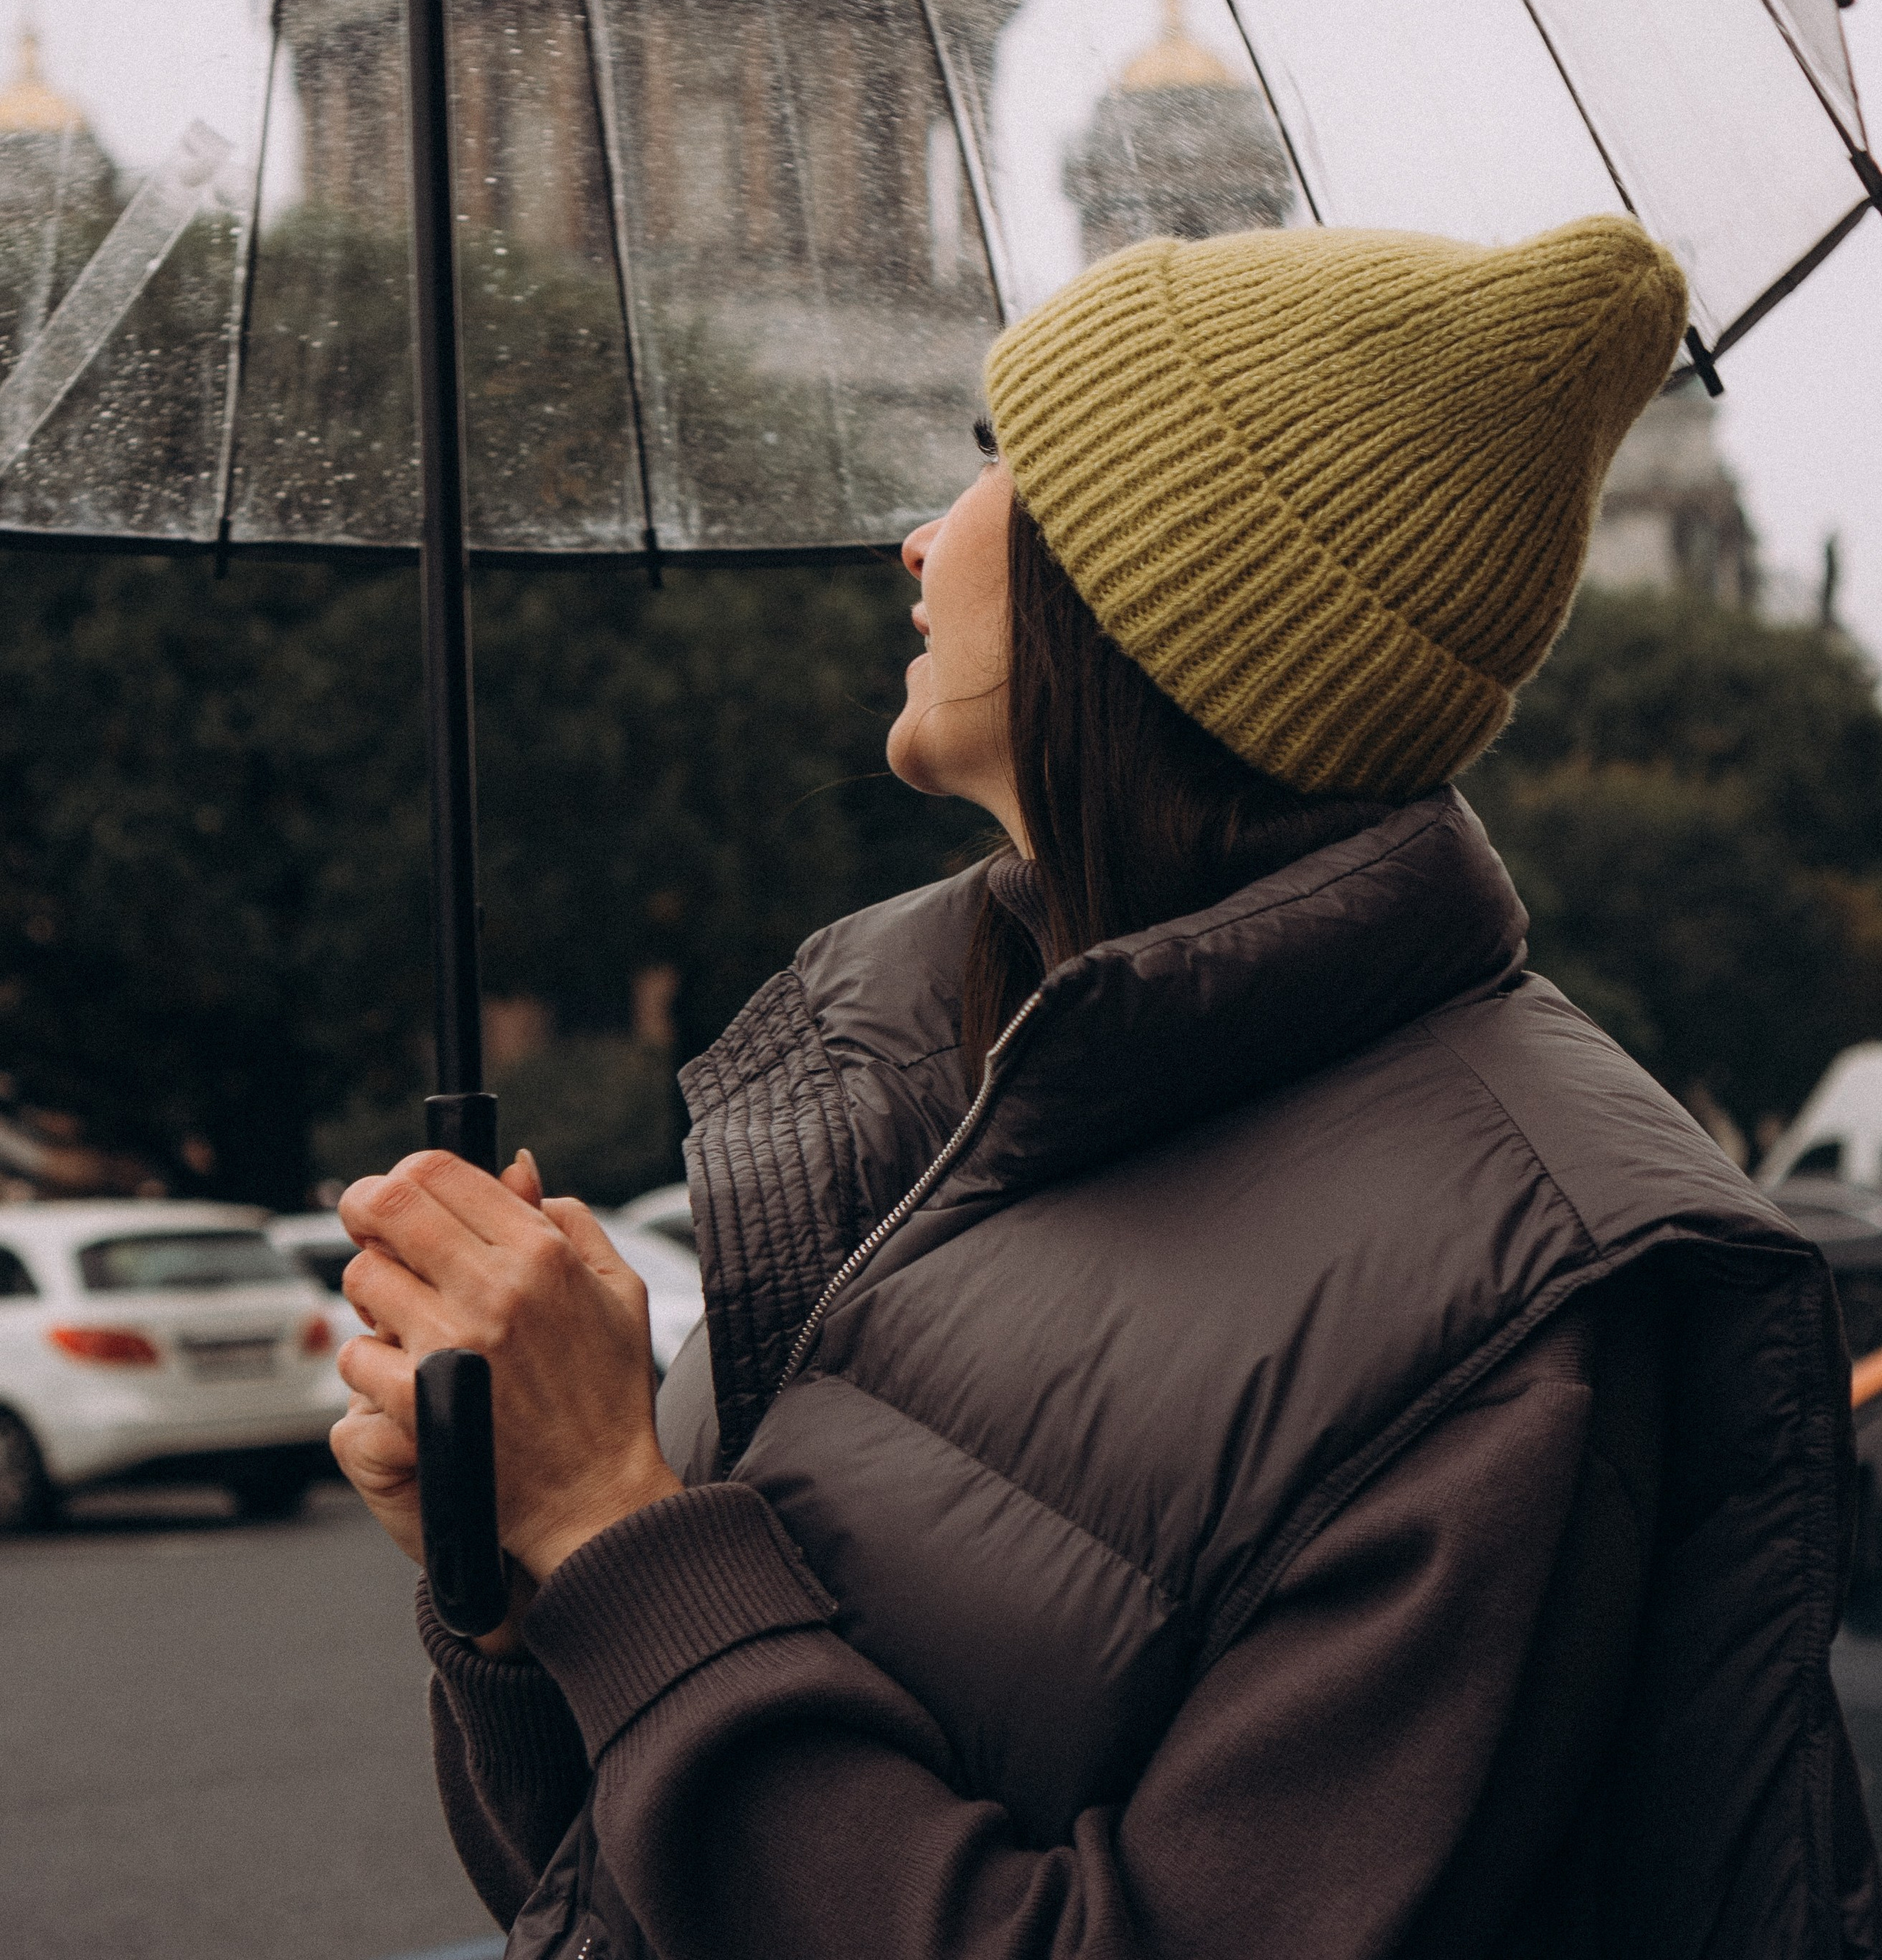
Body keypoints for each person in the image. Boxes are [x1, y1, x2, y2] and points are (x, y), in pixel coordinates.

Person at [334, 216, 1880, 1960]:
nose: (918, 538)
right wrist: (513, 1581)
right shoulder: (923, 1083)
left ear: (1155, 593)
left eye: (995, 462)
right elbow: (602, 1889)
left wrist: (611, 1530)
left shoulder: (1532, 1290)